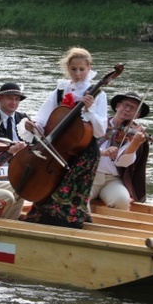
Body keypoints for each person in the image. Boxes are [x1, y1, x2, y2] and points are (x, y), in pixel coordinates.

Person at [21, 47, 108, 228]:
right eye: (74, 69)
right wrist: (33, 125)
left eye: (82, 69)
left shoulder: (98, 94)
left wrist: (89, 110)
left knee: (72, 189)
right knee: (50, 183)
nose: (78, 74)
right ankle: (42, 217)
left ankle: (68, 223)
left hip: (83, 150)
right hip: (59, 147)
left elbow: (100, 131)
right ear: (68, 68)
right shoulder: (60, 91)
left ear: (89, 68)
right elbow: (45, 118)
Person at [90, 91, 151, 210]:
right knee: (78, 200)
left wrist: (134, 143)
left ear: (137, 115)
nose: (127, 109)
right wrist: (104, 152)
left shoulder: (135, 133)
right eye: (125, 105)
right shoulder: (99, 123)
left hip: (113, 180)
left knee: (122, 201)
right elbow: (83, 148)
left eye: (132, 108)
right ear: (117, 106)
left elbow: (122, 162)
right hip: (89, 174)